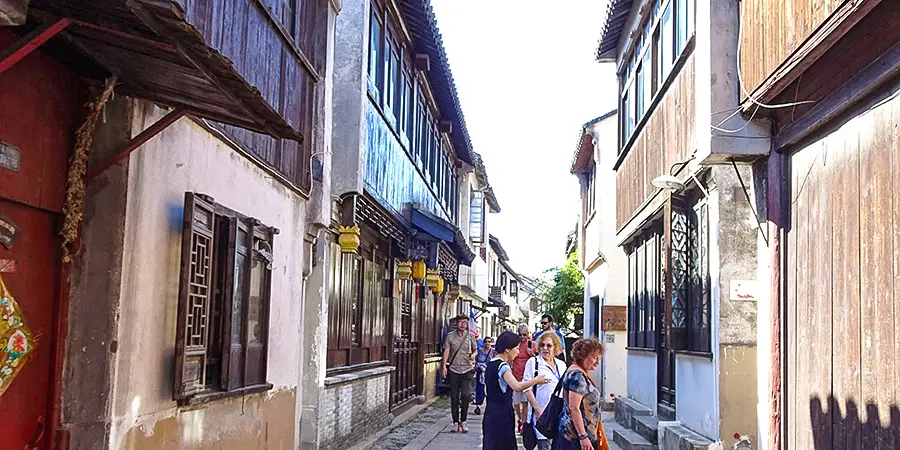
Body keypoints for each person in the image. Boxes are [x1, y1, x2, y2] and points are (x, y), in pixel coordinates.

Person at [483, 331, 550, 450]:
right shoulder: (503, 366)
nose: (518, 352)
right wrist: (535, 381)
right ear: (508, 349)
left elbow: (486, 390)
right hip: (502, 415)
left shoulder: (491, 363)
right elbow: (516, 386)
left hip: (490, 412)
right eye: (517, 349)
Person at [553, 339, 610, 450]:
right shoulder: (578, 375)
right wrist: (583, 437)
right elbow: (574, 408)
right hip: (575, 437)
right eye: (594, 357)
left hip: (570, 434)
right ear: (582, 356)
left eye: (599, 357)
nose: (598, 361)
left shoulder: (573, 369)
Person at [524, 331, 567, 450]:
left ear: (556, 347)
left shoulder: (562, 365)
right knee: (544, 446)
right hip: (542, 415)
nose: (545, 348)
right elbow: (526, 389)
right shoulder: (533, 363)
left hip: (559, 416)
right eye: (542, 345)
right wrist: (537, 410)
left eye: (549, 345)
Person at [442, 314, 478, 433]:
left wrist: (473, 355)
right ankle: (455, 422)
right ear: (457, 323)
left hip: (467, 369)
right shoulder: (450, 336)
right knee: (454, 396)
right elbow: (446, 351)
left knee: (466, 395)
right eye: (461, 322)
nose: (463, 325)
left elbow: (475, 350)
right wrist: (444, 367)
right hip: (454, 369)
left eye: (465, 323)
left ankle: (464, 421)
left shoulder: (470, 336)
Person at [512, 323, 537, 432]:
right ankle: (520, 418)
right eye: (520, 335)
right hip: (515, 377)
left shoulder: (532, 345)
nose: (522, 337)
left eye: (524, 335)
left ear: (528, 334)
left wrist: (532, 354)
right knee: (516, 403)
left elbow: (539, 360)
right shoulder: (515, 345)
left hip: (527, 378)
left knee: (525, 402)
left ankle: (524, 422)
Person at [473, 336, 495, 415]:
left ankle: (490, 405)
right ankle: (478, 406)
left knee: (490, 389)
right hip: (480, 372)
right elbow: (476, 361)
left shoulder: (493, 352)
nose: (487, 343)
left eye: (489, 342)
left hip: (489, 372)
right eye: (486, 342)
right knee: (479, 388)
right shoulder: (479, 351)